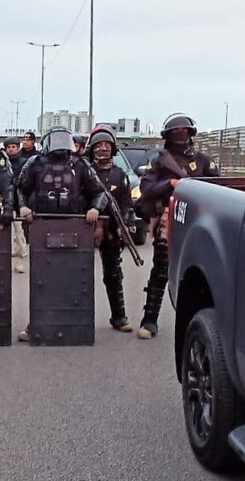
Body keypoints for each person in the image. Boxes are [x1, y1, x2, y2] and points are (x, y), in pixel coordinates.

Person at [14, 126, 107, 342]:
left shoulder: (80, 164)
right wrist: (23, 207)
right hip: (42, 228)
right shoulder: (35, 164)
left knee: (72, 278)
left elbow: (99, 191)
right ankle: (36, 324)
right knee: (41, 280)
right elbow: (20, 188)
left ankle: (74, 324)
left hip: (74, 227)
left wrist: (95, 209)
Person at [135, 113, 216, 339]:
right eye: (175, 132)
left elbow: (220, 187)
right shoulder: (161, 160)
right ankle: (149, 319)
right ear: (167, 136)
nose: (180, 136)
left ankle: (198, 325)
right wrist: (170, 183)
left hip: (200, 220)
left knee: (201, 272)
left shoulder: (203, 161)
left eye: (184, 132)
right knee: (161, 269)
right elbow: (146, 188)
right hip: (169, 218)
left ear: (191, 134)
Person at [85, 127, 135, 332]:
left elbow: (126, 203)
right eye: (98, 146)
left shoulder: (119, 174)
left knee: (114, 274)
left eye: (107, 146)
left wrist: (127, 225)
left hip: (112, 229)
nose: (102, 149)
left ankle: (119, 317)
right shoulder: (85, 171)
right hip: (86, 227)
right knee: (78, 273)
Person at [2, 136, 29, 272]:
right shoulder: (2, 163)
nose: (11, 149)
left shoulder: (24, 163)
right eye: (8, 147)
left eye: (13, 147)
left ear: (18, 148)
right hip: (3, 203)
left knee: (19, 234)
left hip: (18, 203)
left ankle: (19, 262)